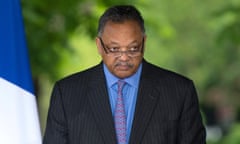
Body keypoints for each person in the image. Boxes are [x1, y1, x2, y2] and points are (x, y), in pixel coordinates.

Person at [43, 5, 206, 144]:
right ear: (99, 45)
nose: (124, 57)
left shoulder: (178, 91)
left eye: (133, 48)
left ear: (144, 42)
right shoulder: (67, 94)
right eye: (114, 49)